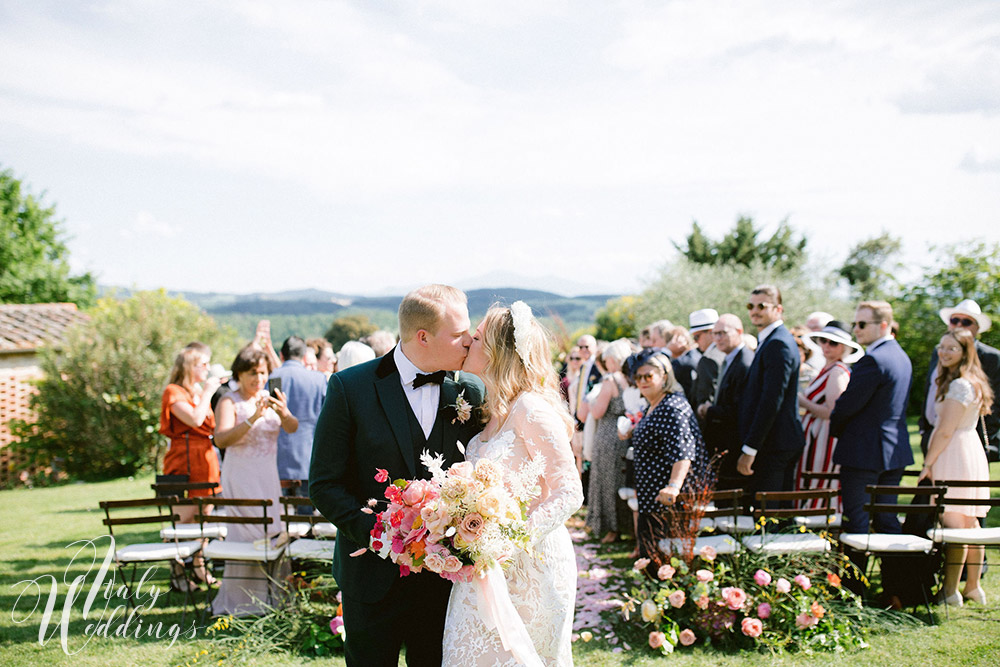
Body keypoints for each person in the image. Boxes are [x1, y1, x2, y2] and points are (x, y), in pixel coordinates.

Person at [310, 284, 485, 667]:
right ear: (422, 336)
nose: (471, 339)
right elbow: (324, 484)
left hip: (445, 579)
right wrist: (383, 535)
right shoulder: (349, 388)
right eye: (459, 333)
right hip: (371, 578)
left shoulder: (468, 391)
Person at [443, 302, 583, 666]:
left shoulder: (531, 409)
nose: (466, 344)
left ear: (494, 352)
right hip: (485, 566)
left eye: (475, 338)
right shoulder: (491, 412)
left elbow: (570, 490)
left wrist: (512, 538)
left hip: (533, 566)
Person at [212, 343, 299, 615]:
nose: (258, 379)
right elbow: (221, 438)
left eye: (262, 373)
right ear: (240, 373)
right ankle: (241, 602)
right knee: (248, 534)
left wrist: (283, 411)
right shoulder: (229, 400)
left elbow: (292, 428)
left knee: (271, 532)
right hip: (241, 474)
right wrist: (253, 418)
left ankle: (271, 599)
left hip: (267, 476)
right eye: (252, 373)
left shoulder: (268, 397)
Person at [918, 329, 993, 606]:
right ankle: (972, 587)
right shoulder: (970, 381)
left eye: (952, 348)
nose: (944, 352)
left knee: (955, 521)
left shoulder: (960, 384)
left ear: (965, 352)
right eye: (942, 346)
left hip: (954, 453)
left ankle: (950, 590)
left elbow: (945, 430)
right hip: (968, 449)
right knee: (969, 522)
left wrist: (928, 463)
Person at [830, 301, 914, 534]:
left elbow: (847, 406)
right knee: (886, 521)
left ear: (884, 325)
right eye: (855, 323)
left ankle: (855, 572)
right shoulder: (901, 357)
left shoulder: (873, 359)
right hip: (893, 451)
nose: (856, 329)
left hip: (863, 453)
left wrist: (837, 430)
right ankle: (895, 572)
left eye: (863, 324)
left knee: (856, 522)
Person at [629, 349, 710, 557]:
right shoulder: (654, 405)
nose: (642, 381)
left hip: (667, 499)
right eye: (638, 377)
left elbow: (683, 451)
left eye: (648, 376)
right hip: (651, 495)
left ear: (664, 376)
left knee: (665, 559)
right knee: (652, 555)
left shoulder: (672, 407)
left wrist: (673, 486)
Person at [159, 341, 222, 589]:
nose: (208, 368)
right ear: (189, 367)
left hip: (205, 457)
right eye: (203, 364)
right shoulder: (173, 392)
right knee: (184, 516)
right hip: (183, 459)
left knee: (205, 515)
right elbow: (195, 419)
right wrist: (207, 392)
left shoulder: (197, 392)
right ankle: (176, 570)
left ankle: (198, 565)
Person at [737, 285, 805, 498]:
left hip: (775, 443)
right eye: (751, 306)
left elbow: (771, 401)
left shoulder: (778, 343)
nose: (754, 311)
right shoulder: (770, 340)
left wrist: (750, 449)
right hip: (774, 442)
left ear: (778, 309)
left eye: (762, 306)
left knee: (769, 518)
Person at [919, 299, 1000, 460]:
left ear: (977, 328)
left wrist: (981, 442)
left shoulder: (992, 357)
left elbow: (995, 404)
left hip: (967, 444)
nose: (959, 325)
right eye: (954, 320)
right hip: (933, 435)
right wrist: (925, 430)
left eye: (966, 322)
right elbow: (931, 389)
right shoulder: (939, 352)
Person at [795, 321, 863, 506]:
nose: (826, 346)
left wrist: (803, 403)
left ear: (845, 348)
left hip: (825, 438)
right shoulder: (826, 369)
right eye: (823, 340)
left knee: (820, 482)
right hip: (815, 435)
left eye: (833, 343)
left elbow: (833, 412)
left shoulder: (837, 372)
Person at [585, 338, 636, 544]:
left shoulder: (610, 380)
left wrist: (590, 401)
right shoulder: (630, 378)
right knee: (623, 480)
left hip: (608, 434)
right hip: (626, 433)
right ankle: (628, 527)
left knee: (606, 481)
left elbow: (597, 412)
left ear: (613, 360)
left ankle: (612, 529)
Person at [698, 314, 754, 491]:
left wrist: (710, 410)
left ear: (739, 332)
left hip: (735, 442)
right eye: (715, 334)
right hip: (724, 442)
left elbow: (740, 409)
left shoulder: (744, 362)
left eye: (723, 333)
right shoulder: (730, 358)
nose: (718, 338)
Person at [270, 336, 328, 503]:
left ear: (281, 355)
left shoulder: (274, 377)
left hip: (279, 455)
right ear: (304, 356)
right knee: (307, 516)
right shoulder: (318, 379)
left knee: (282, 514)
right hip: (309, 453)